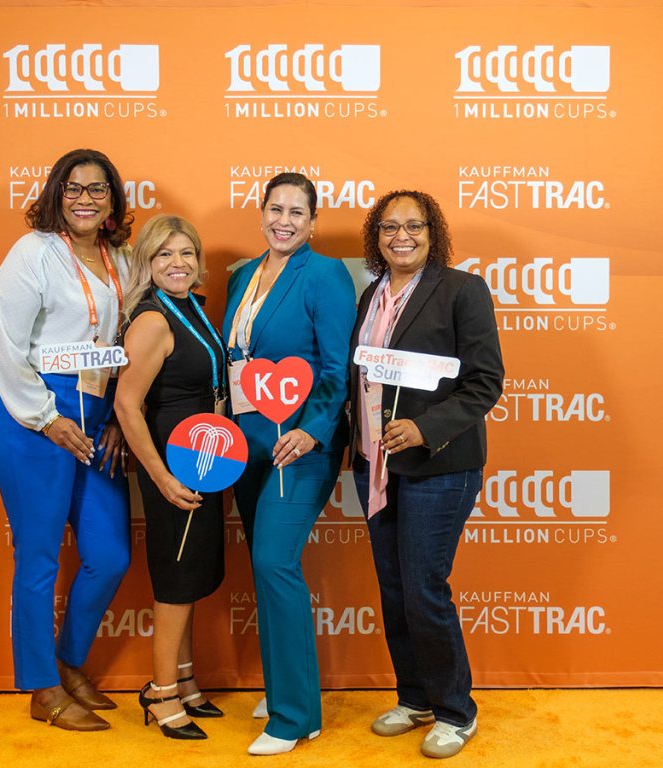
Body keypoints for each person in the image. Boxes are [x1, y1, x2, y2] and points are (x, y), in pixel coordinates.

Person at [349, 190, 503, 759]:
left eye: (414, 226)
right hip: (375, 465)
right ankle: (414, 698)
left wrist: (423, 428)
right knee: (395, 590)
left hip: (439, 466)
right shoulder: (371, 296)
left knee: (422, 588)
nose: (402, 236)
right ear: (377, 237)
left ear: (432, 233)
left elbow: (484, 382)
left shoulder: (462, 290)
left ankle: (456, 711)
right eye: (390, 227)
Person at [0, 148, 133, 731]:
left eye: (97, 189)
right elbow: (2, 345)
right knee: (40, 556)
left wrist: (119, 416)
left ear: (112, 199)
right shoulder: (34, 253)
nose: (85, 199)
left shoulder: (121, 258)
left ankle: (68, 662)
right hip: (33, 416)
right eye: (73, 188)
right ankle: (41, 687)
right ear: (56, 194)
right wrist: (45, 418)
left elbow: (126, 346)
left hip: (98, 412)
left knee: (110, 555)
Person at [222, 172, 356, 755]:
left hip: (296, 444)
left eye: (297, 212)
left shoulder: (325, 275)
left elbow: (336, 367)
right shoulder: (243, 276)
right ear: (261, 213)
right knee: (265, 565)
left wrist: (312, 430)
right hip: (245, 443)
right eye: (276, 209)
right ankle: (285, 685)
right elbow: (237, 359)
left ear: (313, 222)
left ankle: (296, 716)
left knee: (275, 561)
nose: (284, 221)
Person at [114, 215, 227, 740]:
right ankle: (160, 692)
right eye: (164, 254)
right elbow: (127, 404)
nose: (177, 263)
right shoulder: (153, 319)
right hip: (173, 468)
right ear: (147, 262)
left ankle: (183, 678)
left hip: (203, 461)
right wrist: (159, 477)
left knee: (192, 573)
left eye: (186, 253)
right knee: (177, 578)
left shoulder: (189, 307)